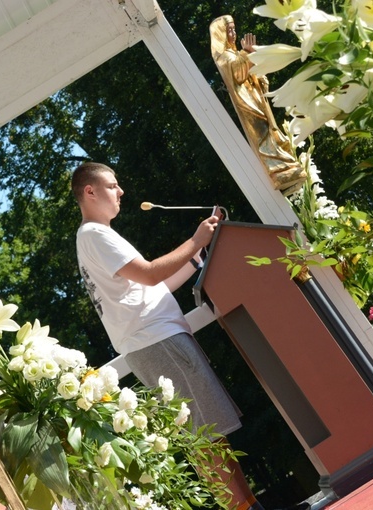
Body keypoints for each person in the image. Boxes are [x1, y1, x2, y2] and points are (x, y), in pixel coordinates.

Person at [72, 162, 264, 510]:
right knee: (204, 439)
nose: (121, 192)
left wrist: (195, 258)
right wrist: (196, 239)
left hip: (153, 340)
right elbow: (148, 275)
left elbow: (149, 289)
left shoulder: (94, 237)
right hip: (156, 341)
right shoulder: (94, 234)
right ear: (90, 191)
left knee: (209, 436)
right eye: (113, 186)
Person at [210, 15, 306, 196]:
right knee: (262, 136)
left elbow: (257, 76)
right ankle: (280, 173)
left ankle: (286, 171)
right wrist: (248, 53)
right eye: (228, 30)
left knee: (271, 133)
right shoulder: (223, 57)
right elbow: (238, 73)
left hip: (257, 100)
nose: (233, 33)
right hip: (247, 105)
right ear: (220, 34)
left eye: (233, 28)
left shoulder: (236, 54)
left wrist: (253, 57)